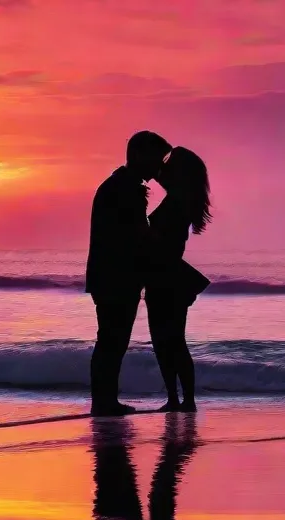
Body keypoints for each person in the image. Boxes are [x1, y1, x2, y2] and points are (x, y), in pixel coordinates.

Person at [86, 130, 173, 417]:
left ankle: (104, 399)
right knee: (113, 340)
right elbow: (138, 237)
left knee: (111, 340)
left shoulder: (119, 185)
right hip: (116, 278)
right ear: (139, 156)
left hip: (110, 276)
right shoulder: (126, 190)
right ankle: (104, 401)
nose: (159, 168)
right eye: (156, 160)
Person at [144, 147, 212, 412]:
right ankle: (179, 399)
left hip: (165, 274)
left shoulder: (178, 201)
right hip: (167, 273)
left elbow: (163, 241)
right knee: (170, 340)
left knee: (167, 340)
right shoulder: (181, 198)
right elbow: (162, 176)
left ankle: (181, 399)